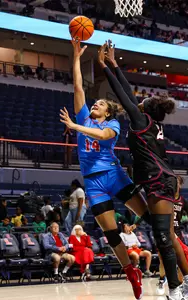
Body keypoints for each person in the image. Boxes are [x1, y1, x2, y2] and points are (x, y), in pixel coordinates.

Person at [99, 40, 188, 300]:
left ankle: (176, 290)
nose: (137, 101)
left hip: (158, 181)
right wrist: (114, 63)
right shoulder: (149, 123)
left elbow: (123, 95)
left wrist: (105, 68)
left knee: (162, 237)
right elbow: (129, 95)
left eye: (140, 101)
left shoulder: (142, 120)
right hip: (163, 180)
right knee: (167, 234)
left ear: (144, 108)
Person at [59, 39, 156, 300]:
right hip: (93, 182)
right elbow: (78, 86)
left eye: (100, 103)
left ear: (108, 110)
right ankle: (130, 271)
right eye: (95, 103)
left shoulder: (112, 123)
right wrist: (76, 56)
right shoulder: (83, 117)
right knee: (110, 232)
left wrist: (76, 127)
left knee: (148, 216)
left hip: (114, 176)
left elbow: (101, 136)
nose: (95, 104)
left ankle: (177, 247)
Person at [156, 176, 188, 295]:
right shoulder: (165, 198)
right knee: (162, 259)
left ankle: (181, 286)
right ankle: (162, 279)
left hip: (177, 233)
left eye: (176, 182)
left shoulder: (183, 201)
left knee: (182, 260)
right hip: (164, 233)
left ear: (180, 185)